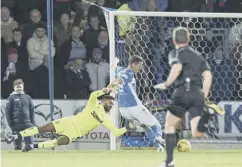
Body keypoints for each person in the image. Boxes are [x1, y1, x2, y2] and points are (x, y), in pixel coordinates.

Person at [153, 27, 224, 167]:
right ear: (189, 39)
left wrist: (167, 84)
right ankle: (208, 114)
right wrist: (204, 94)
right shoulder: (198, 55)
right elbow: (208, 75)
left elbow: (177, 67)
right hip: (197, 93)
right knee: (197, 133)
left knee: (169, 125)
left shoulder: (174, 52)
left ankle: (169, 161)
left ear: (173, 40)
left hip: (181, 92)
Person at [6, 88, 136, 152]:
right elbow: (92, 95)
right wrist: (104, 90)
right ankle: (16, 135)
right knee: (42, 129)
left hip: (75, 133)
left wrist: (127, 128)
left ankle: (32, 146)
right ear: (103, 101)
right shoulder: (94, 104)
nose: (111, 104)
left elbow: (116, 132)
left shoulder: (106, 118)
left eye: (112, 104)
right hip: (68, 122)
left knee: (58, 142)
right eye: (109, 102)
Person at [108, 55, 165, 152]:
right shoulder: (129, 73)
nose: (140, 68)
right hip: (134, 107)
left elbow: (113, 68)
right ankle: (159, 138)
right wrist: (108, 87)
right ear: (133, 64)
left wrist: (115, 62)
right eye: (139, 65)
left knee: (145, 127)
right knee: (156, 125)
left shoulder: (120, 70)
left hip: (123, 110)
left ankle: (159, 147)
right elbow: (118, 81)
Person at [5, 79, 35, 152]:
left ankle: (29, 161)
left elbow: (32, 111)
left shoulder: (27, 97)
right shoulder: (11, 98)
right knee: (18, 146)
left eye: (20, 87)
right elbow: (7, 112)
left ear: (23, 87)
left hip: (27, 124)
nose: (19, 88)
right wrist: (11, 124)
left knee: (30, 146)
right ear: (14, 87)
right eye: (17, 87)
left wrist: (32, 123)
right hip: (16, 125)